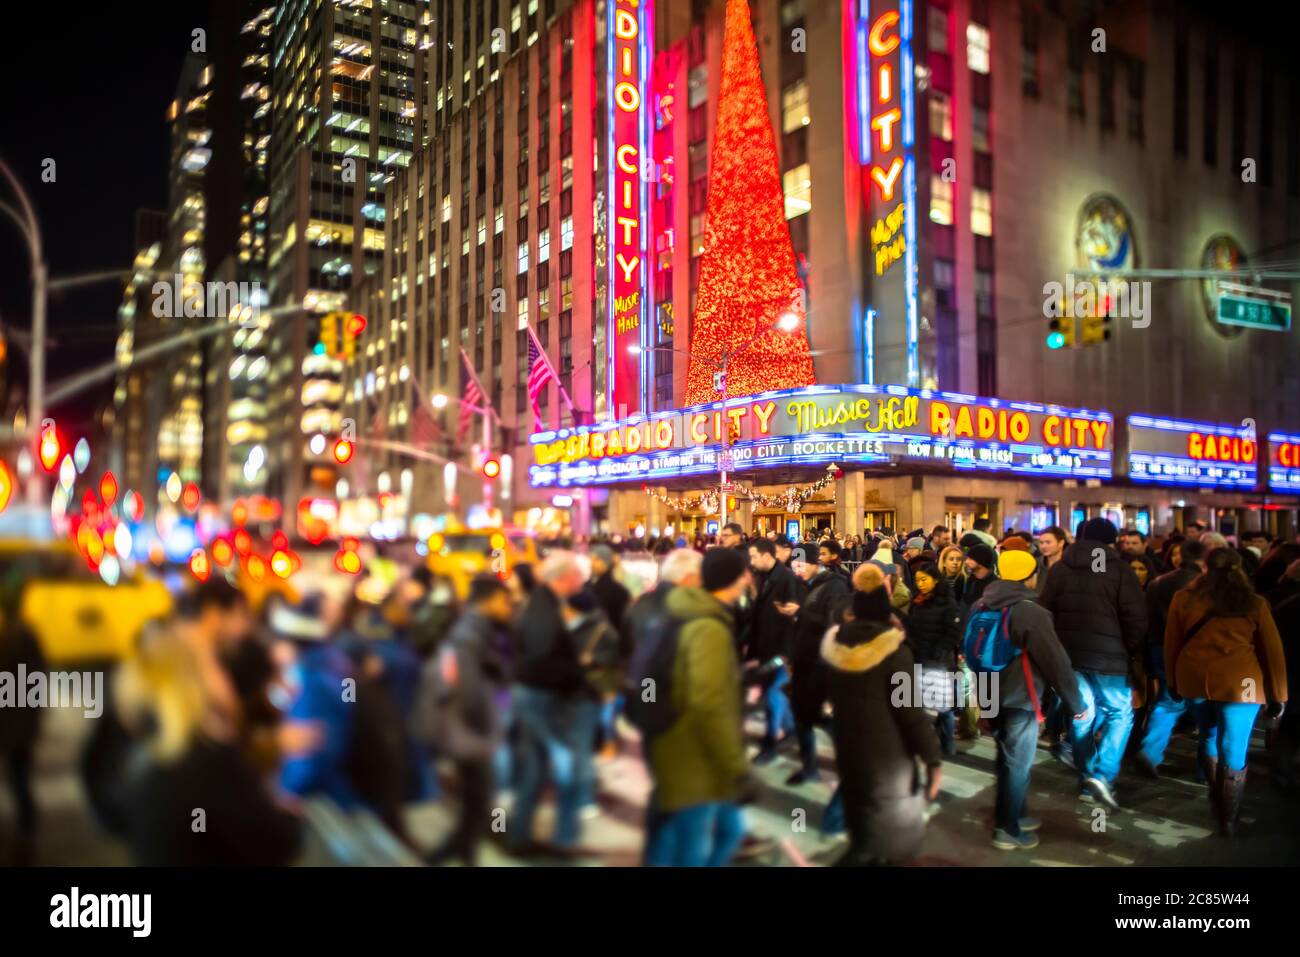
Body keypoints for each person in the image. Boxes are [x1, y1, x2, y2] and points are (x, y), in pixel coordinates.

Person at [117, 621, 302, 866]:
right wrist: (289, 814)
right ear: (194, 683)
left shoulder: (154, 750)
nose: (224, 674)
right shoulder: (211, 762)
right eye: (215, 664)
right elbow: (277, 843)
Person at [644, 549, 755, 867]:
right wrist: (735, 767)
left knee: (701, 833)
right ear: (735, 579)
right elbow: (707, 704)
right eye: (743, 573)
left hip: (677, 743)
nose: (748, 579)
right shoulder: (709, 626)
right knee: (692, 841)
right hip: (695, 753)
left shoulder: (688, 612)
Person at [1165, 548, 1288, 836]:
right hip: (1240, 681)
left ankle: (1214, 795)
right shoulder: (1254, 602)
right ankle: (1228, 817)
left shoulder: (1183, 599)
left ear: (1204, 567)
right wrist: (1278, 694)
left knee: (1208, 734)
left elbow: (1172, 643)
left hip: (1194, 677)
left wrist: (1172, 681)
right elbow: (1271, 652)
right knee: (1235, 743)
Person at [821, 581, 942, 866]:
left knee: (862, 826)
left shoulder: (834, 647)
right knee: (888, 840)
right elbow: (910, 711)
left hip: (849, 747)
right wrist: (932, 759)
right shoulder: (895, 652)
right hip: (889, 756)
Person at [974, 550, 1084, 849]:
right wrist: (1077, 705)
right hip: (1020, 696)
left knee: (1006, 758)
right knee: (1018, 763)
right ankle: (1007, 829)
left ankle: (1015, 813)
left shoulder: (981, 603)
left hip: (989, 691)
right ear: (1031, 575)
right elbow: (1055, 662)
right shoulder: (1030, 612)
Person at [1039, 517, 1147, 810]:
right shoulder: (1120, 571)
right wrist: (1128, 649)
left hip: (1070, 658)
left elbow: (1044, 613)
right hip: (1110, 659)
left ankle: (1087, 776)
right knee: (1119, 714)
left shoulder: (1060, 569)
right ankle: (1103, 774)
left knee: (1082, 714)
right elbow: (1137, 619)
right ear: (1111, 542)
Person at [414, 574, 515, 865]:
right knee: (479, 801)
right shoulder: (470, 634)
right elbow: (468, 688)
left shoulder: (475, 629)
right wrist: (485, 727)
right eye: (504, 601)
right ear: (490, 600)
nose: (508, 607)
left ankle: (461, 855)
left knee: (476, 802)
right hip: (468, 734)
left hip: (468, 731)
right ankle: (446, 855)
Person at [509, 551, 601, 856]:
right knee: (567, 768)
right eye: (577, 575)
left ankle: (521, 836)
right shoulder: (543, 610)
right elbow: (540, 657)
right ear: (562, 578)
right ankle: (563, 838)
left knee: (535, 768)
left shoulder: (542, 604)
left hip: (536, 695)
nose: (582, 580)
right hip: (541, 697)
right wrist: (576, 674)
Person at [1135, 539, 1207, 778]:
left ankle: (1150, 752)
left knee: (1167, 701)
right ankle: (1206, 769)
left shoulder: (1157, 582)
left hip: (1160, 647)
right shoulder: (1203, 586)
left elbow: (1145, 619)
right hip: (1193, 651)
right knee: (1203, 707)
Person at [779, 552, 850, 785]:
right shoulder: (804, 585)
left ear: (814, 564)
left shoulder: (834, 586)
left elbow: (833, 624)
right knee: (803, 717)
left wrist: (799, 612)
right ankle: (810, 766)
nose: (796, 570)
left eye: (800, 565)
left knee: (819, 717)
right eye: (794, 565)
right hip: (803, 661)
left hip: (821, 662)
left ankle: (852, 761)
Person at [747, 538, 805, 764]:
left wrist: (787, 653)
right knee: (774, 695)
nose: (751, 560)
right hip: (765, 648)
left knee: (773, 695)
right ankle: (791, 729)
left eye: (753, 556)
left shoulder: (786, 578)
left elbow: (794, 615)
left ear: (766, 555)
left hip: (781, 651)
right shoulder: (761, 577)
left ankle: (769, 744)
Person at [904, 562, 965, 756]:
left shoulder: (947, 603)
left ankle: (947, 743)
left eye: (924, 580)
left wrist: (940, 650)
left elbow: (953, 632)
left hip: (938, 661)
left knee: (943, 705)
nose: (920, 584)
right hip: (917, 656)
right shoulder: (917, 601)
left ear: (935, 580)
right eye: (917, 580)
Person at [589, 545, 632, 633]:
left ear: (606, 562)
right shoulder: (586, 585)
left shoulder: (618, 591)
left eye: (597, 560)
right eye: (591, 560)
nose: (592, 564)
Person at [963, 544, 997, 609]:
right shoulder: (971, 580)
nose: (966, 562)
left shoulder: (995, 585)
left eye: (970, 559)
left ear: (981, 561)